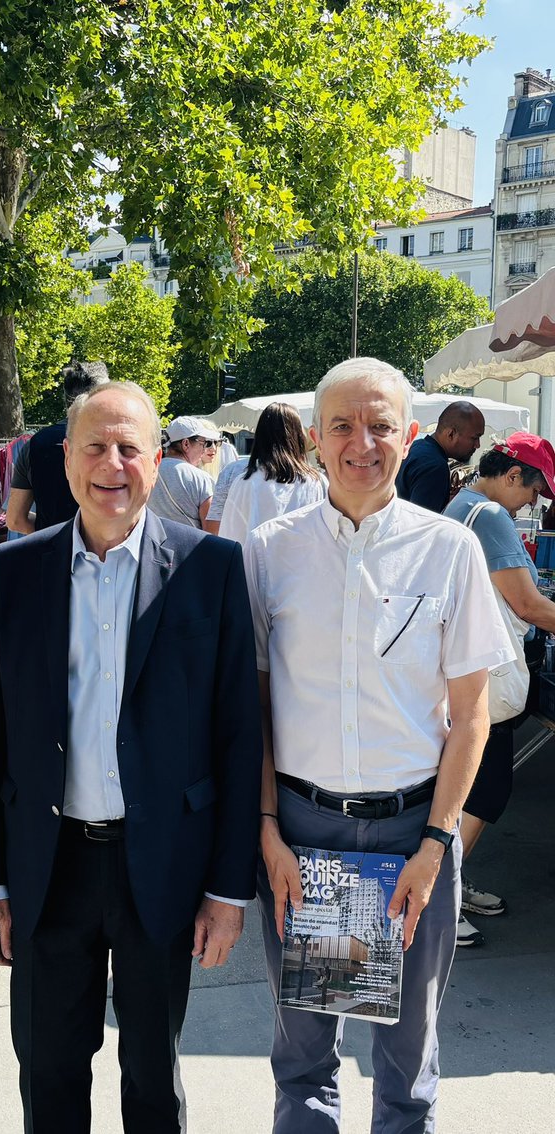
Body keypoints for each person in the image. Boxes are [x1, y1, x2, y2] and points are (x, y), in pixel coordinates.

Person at [0, 381, 263, 1133]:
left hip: (162, 864)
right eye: (95, 446)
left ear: (158, 461)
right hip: (48, 864)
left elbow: (238, 736)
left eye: (130, 447)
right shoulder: (15, 570)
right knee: (49, 1074)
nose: (113, 464)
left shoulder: (211, 568)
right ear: (66, 459)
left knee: (154, 1079)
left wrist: (228, 891)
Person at [246, 358, 513, 1133]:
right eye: (342, 426)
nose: (361, 443)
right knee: (304, 1058)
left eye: (380, 426)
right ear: (315, 438)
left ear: (410, 434)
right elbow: (252, 707)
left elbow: (472, 715)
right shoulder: (268, 549)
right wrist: (266, 829)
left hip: (410, 837)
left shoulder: (449, 548)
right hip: (304, 837)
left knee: (406, 1061)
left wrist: (436, 844)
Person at [444, 433, 555, 947]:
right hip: (485, 675)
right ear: (513, 475)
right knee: (485, 790)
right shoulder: (489, 516)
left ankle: (451, 883)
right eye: (533, 491)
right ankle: (440, 896)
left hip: (468, 667)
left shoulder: (464, 504)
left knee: (471, 788)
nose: (532, 504)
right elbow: (529, 605)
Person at [6, 360, 109, 535]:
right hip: (108, 549)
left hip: (51, 548)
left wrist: (53, 533)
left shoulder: (34, 445)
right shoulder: (119, 444)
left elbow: (15, 519)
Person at [217, 402, 325, 546]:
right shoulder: (317, 482)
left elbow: (231, 537)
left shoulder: (245, 482)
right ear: (299, 435)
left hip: (256, 560)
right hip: (307, 559)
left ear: (260, 436)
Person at [394, 400, 485, 512]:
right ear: (451, 434)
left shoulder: (416, 447)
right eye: (475, 438)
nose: (478, 445)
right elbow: (423, 519)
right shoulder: (435, 467)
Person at [146, 415, 218, 529]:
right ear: (186, 444)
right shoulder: (201, 478)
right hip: (190, 540)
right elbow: (211, 530)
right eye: (203, 443)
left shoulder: (149, 472)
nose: (204, 449)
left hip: (153, 539)